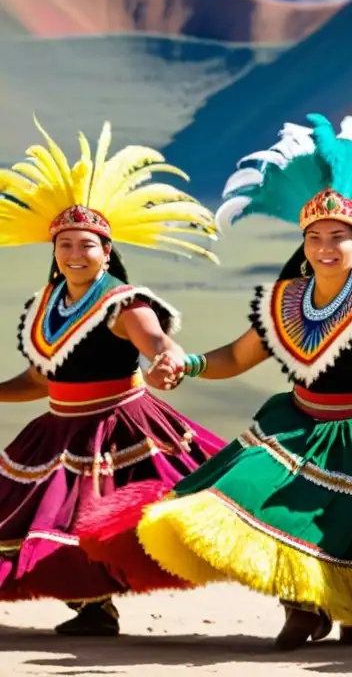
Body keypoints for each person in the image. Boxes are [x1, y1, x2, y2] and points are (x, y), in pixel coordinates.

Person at [134, 113, 352, 651]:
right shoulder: (282, 301)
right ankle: (301, 609)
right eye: (315, 237)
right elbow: (238, 356)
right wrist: (186, 364)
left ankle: (351, 614)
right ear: (303, 243)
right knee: (275, 504)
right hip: (300, 422)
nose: (325, 246)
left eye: (338, 238)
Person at [0, 118, 225, 636]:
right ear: (54, 251)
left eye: (86, 245)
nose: (75, 254)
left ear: (106, 250)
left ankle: (295, 594)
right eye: (66, 245)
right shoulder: (44, 307)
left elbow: (155, 341)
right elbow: (40, 382)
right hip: (60, 427)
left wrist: (167, 358)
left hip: (121, 425)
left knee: (173, 519)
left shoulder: (123, 301)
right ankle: (94, 608)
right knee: (52, 519)